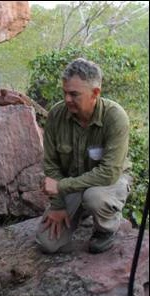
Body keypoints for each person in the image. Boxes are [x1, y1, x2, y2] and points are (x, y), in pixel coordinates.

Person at [36, 58, 131, 254]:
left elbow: (108, 173)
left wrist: (61, 186)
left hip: (109, 182)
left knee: (94, 197)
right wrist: (58, 204)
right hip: (74, 183)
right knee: (47, 243)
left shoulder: (115, 117)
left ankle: (107, 228)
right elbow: (52, 164)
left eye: (74, 94)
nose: (67, 99)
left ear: (95, 93)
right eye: (65, 93)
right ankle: (82, 213)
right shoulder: (56, 115)